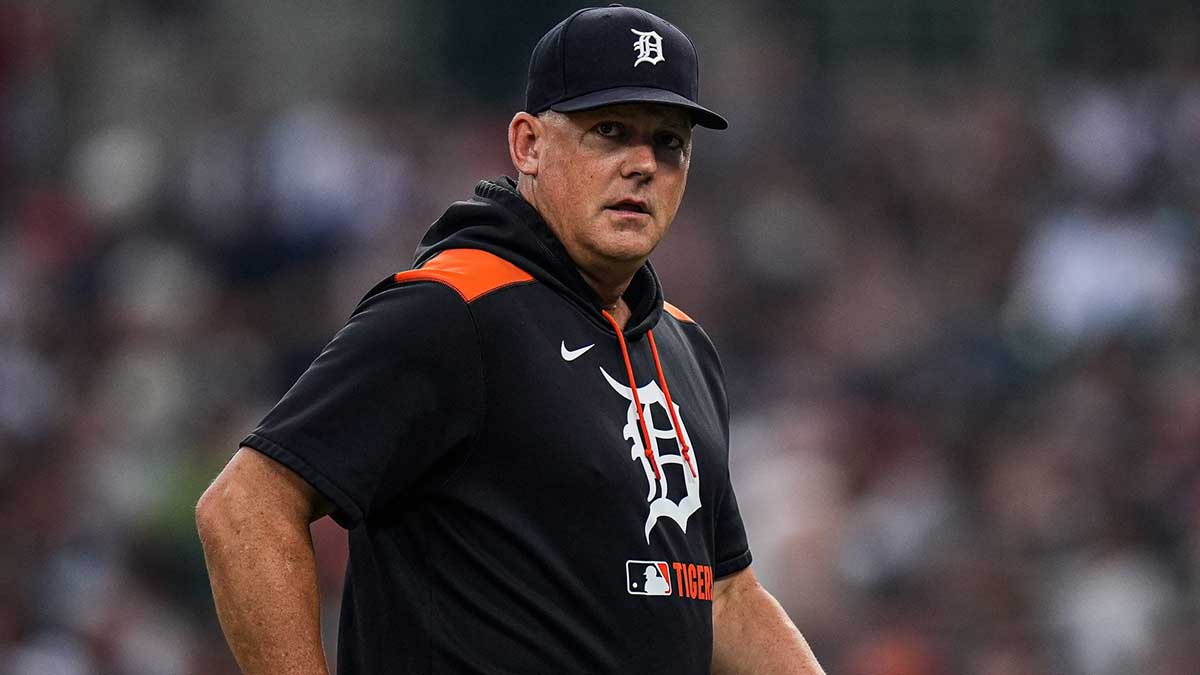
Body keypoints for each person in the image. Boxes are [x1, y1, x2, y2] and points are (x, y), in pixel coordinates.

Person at [196, 5, 825, 674]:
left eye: (668, 142)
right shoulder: (454, 310)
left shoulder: (684, 346)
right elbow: (245, 507)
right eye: (610, 131)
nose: (643, 164)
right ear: (528, 145)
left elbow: (723, 595)